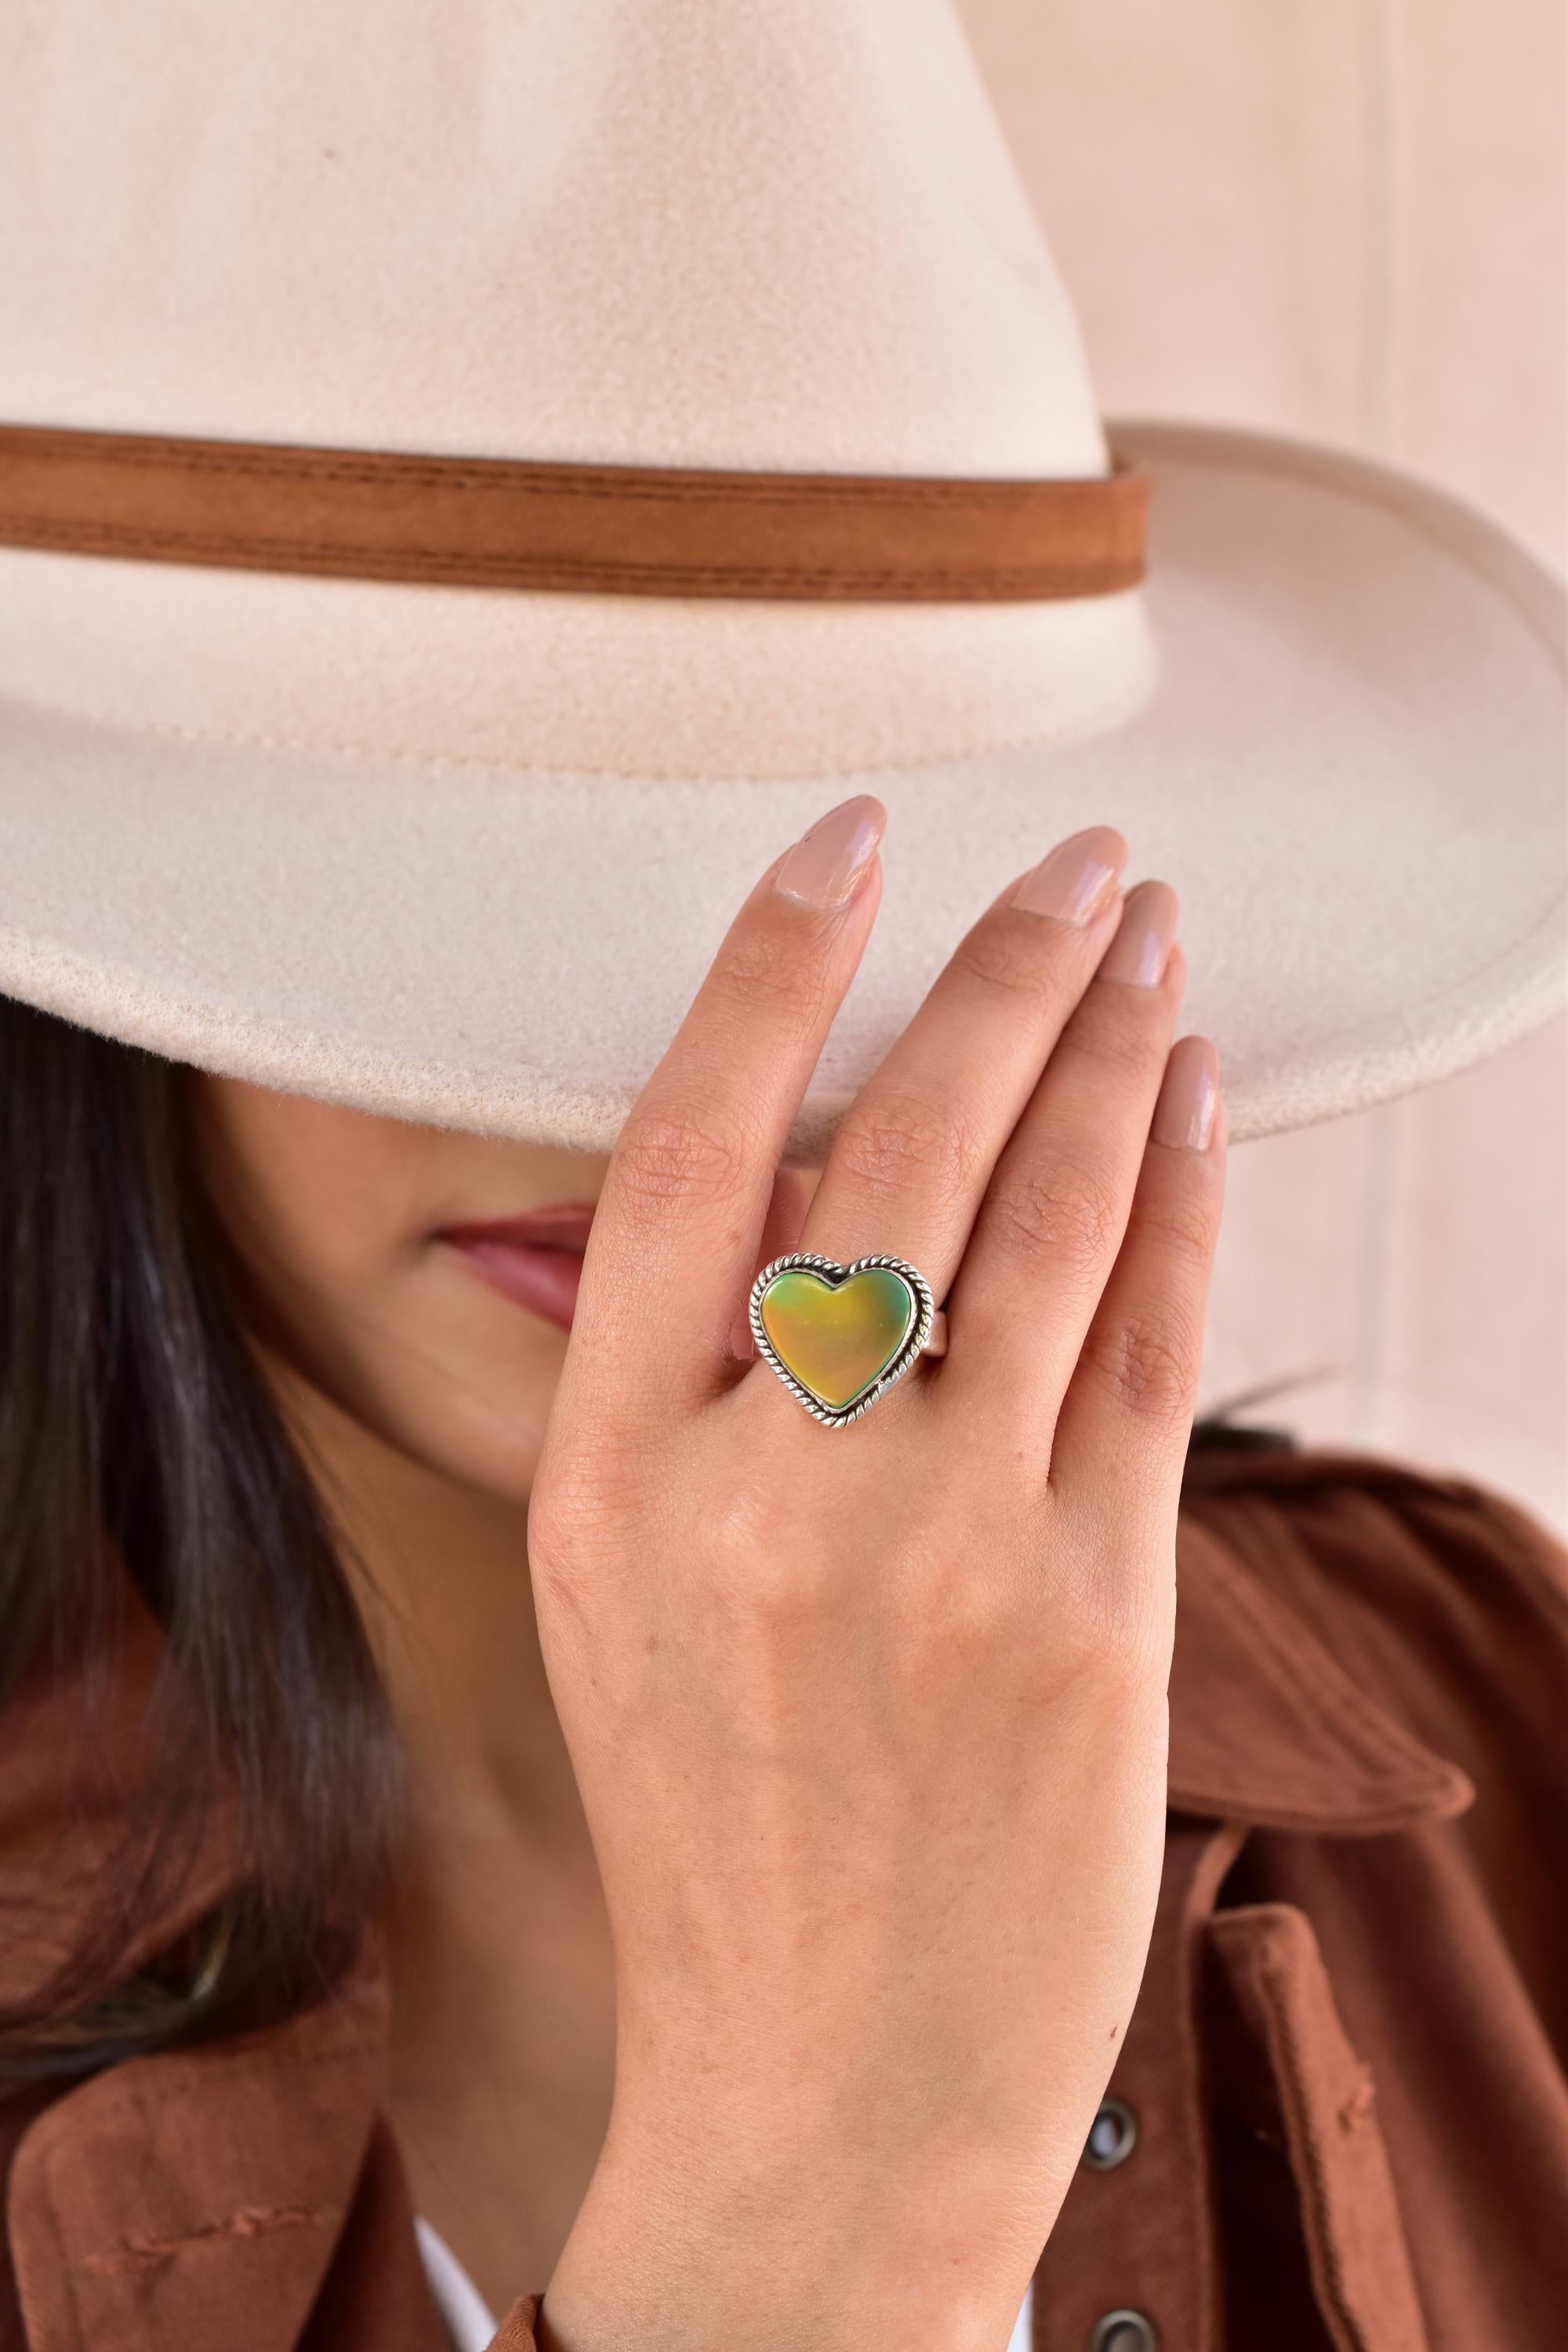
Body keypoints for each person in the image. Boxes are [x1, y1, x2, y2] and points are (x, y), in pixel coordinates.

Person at [2, 2, 1565, 2347]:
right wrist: (823, 2226)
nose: (668, 1116)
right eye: (476, 908)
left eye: (849, 901)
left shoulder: (1488, 1700)